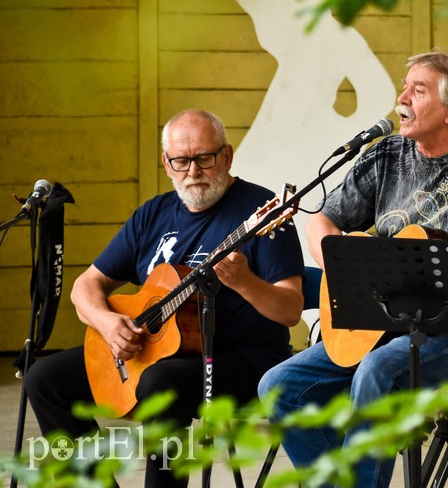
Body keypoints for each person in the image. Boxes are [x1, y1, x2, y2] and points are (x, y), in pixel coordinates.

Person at [258, 51, 448, 487]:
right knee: (279, 385)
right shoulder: (389, 153)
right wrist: (339, 258)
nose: (401, 97)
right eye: (404, 86)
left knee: (379, 373)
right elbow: (321, 220)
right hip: (385, 326)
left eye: (418, 89)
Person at [24, 109, 305, 487]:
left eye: (205, 158)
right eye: (181, 160)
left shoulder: (261, 211)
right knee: (45, 377)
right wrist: (108, 324)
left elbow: (290, 310)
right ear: (166, 163)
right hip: (157, 352)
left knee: (162, 382)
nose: (193, 171)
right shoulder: (153, 214)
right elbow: (85, 286)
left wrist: (244, 282)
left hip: (243, 359)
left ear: (227, 156)